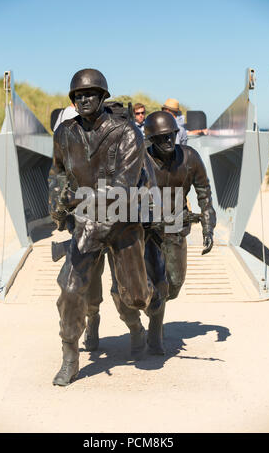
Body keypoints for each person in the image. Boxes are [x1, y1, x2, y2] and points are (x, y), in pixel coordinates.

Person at [48, 69, 162, 386]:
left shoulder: (127, 133)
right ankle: (70, 356)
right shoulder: (65, 133)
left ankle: (137, 324)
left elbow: (124, 187)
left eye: (91, 94)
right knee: (71, 291)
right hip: (86, 224)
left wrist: (78, 196)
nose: (84, 99)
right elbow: (56, 172)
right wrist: (56, 200)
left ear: (103, 97)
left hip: (123, 224)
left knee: (136, 296)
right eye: (78, 95)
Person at [144, 111, 216, 306]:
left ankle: (157, 310)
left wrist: (208, 227)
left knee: (174, 283)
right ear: (151, 139)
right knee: (146, 283)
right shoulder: (139, 160)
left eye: (171, 134)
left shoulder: (190, 157)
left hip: (176, 225)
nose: (168, 140)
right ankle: (153, 317)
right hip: (145, 228)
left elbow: (204, 193)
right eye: (161, 137)